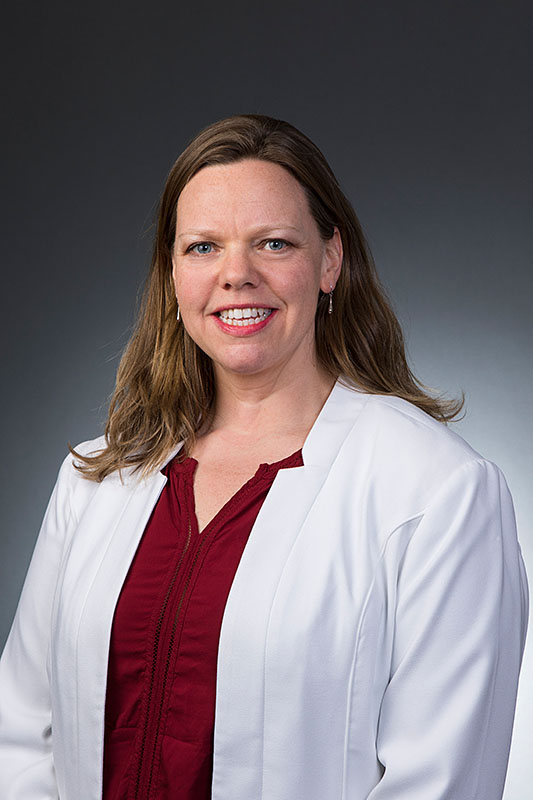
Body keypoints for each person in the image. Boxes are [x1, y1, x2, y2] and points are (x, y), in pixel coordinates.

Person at [0, 113, 528, 800]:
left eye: (273, 243)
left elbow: (439, 784)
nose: (236, 275)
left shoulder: (437, 492)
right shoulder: (96, 478)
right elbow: (22, 737)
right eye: (202, 247)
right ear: (172, 274)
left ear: (330, 262)